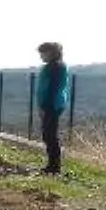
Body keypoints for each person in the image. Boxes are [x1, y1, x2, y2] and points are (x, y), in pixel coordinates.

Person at [36, 41, 70, 174]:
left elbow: (51, 88)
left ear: (50, 53)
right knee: (48, 134)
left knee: (50, 135)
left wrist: (44, 107)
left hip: (52, 104)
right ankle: (52, 165)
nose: (41, 56)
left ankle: (54, 166)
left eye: (43, 53)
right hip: (51, 104)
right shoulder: (54, 66)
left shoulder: (55, 67)